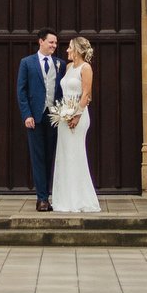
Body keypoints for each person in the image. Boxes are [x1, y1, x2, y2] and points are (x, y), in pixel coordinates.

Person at [50, 34, 100, 214]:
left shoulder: (86, 68)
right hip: (64, 116)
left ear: (78, 50)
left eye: (70, 47)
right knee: (64, 156)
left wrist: (77, 115)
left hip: (79, 117)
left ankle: (79, 199)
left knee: (75, 155)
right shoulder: (69, 67)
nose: (67, 50)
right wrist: (63, 113)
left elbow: (86, 94)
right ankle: (65, 199)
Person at [15, 27, 64, 211]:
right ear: (41, 41)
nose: (54, 45)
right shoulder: (27, 63)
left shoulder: (60, 64)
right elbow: (22, 91)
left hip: (54, 117)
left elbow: (63, 91)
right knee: (38, 158)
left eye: (56, 43)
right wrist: (26, 114)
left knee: (51, 157)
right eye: (51, 42)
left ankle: (52, 195)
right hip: (34, 118)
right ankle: (42, 199)